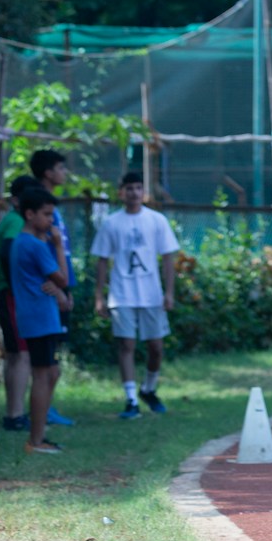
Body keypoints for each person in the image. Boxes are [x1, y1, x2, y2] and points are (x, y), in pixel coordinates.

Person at [93, 171, 182, 420]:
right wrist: (99, 295)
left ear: (144, 192)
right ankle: (131, 398)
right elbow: (102, 260)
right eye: (129, 188)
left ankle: (149, 389)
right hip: (123, 293)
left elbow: (167, 258)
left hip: (151, 294)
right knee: (127, 344)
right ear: (121, 192)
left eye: (138, 188)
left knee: (155, 346)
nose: (133, 193)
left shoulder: (156, 220)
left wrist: (169, 292)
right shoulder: (111, 223)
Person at [11, 187, 72, 453]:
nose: (51, 221)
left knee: (51, 372)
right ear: (29, 214)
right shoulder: (35, 245)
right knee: (43, 375)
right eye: (47, 215)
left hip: (39, 316)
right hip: (39, 317)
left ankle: (39, 435)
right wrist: (58, 246)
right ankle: (36, 440)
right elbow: (63, 278)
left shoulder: (21, 243)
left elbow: (53, 281)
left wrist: (55, 287)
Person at [27, 148, 77, 428]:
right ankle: (42, 414)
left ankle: (47, 409)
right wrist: (58, 289)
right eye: (61, 167)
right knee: (46, 364)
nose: (64, 173)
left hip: (61, 281)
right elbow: (40, 251)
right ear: (48, 172)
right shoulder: (38, 207)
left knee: (52, 358)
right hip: (51, 285)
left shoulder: (51, 207)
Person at [0, 176, 41, 431]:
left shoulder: (9, 220)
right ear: (17, 200)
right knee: (21, 355)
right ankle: (16, 414)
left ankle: (14, 413)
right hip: (12, 295)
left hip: (8, 292)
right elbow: (4, 251)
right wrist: (16, 283)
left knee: (15, 355)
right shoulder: (17, 221)